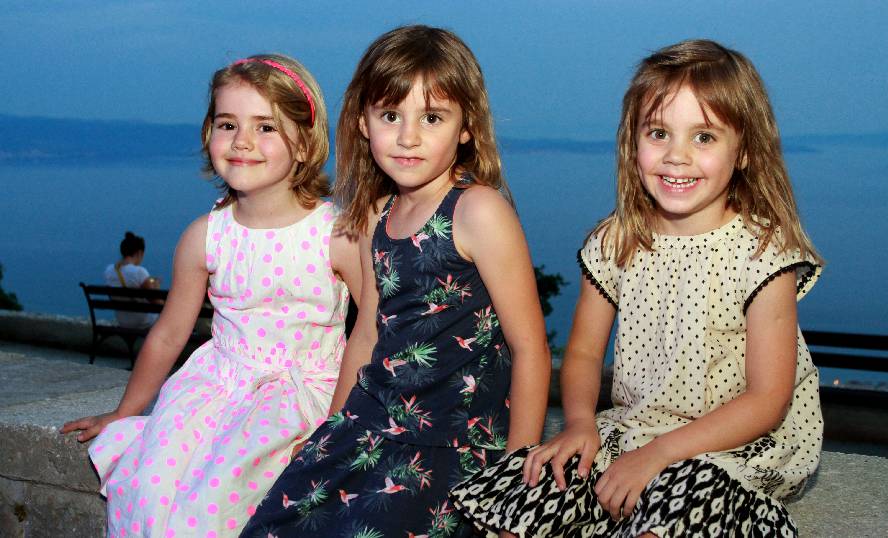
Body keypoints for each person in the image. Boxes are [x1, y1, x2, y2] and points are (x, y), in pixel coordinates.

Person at [450, 39, 824, 537]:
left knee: (679, 506)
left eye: (704, 137)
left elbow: (766, 400)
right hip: (637, 427)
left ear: (746, 151)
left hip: (737, 440)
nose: (676, 156)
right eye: (659, 133)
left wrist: (659, 455)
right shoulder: (616, 241)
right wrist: (579, 423)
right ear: (633, 141)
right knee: (528, 491)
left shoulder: (763, 253)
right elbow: (583, 354)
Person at [240, 25, 551, 538]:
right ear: (362, 123)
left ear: (466, 128)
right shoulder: (375, 215)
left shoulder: (478, 211)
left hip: (448, 443)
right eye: (390, 116)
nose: (408, 137)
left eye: (432, 118)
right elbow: (366, 334)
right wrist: (327, 434)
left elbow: (530, 346)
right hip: (368, 426)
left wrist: (513, 484)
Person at [61, 53, 361, 537]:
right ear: (208, 134)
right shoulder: (206, 236)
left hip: (299, 398)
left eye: (266, 127)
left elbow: (377, 331)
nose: (242, 140)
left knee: (214, 503)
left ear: (306, 143)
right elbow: (168, 334)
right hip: (214, 388)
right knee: (149, 491)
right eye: (227, 124)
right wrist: (124, 412)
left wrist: (337, 429)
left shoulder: (338, 235)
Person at [104, 231, 160, 329]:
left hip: (122, 321)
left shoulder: (109, 270)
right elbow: (156, 302)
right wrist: (156, 286)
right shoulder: (139, 272)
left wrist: (149, 282)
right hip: (143, 321)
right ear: (139, 252)